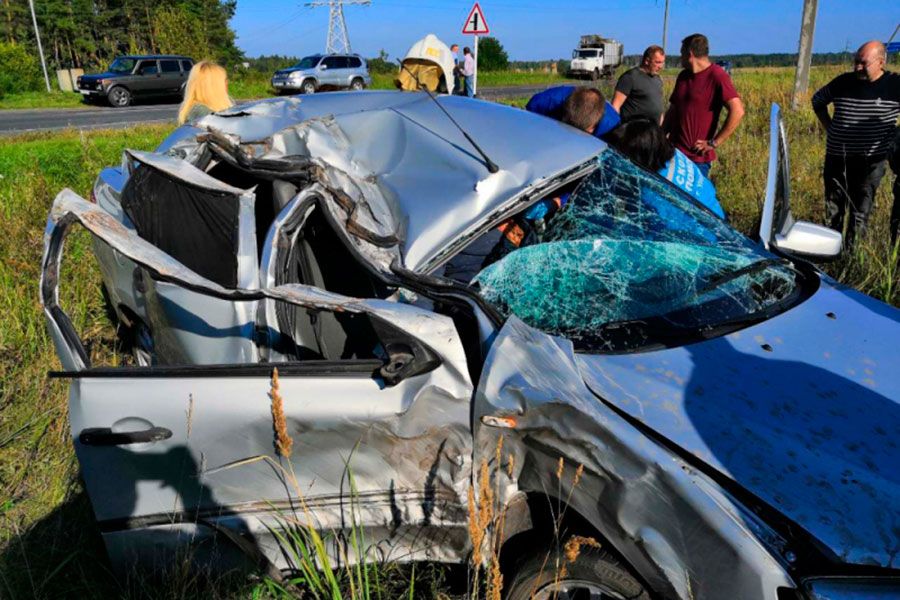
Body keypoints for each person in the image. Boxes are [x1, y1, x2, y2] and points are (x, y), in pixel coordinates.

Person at [812, 41, 900, 247]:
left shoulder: (895, 85)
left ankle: (852, 254)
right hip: (837, 158)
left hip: (871, 162)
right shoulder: (843, 82)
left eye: (863, 63)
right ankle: (830, 251)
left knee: (860, 212)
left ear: (881, 62)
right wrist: (830, 127)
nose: (857, 67)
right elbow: (818, 100)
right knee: (833, 208)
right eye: (856, 62)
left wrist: (893, 139)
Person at [605, 118, 725, 218]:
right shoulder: (672, 153)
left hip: (701, 239)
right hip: (716, 214)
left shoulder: (654, 194)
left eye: (623, 156)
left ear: (639, 158)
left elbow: (648, 237)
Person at [663, 33, 744, 177]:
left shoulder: (717, 76)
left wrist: (714, 143)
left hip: (697, 159)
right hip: (674, 153)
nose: (680, 57)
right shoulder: (683, 76)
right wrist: (661, 135)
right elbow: (673, 110)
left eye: (681, 53)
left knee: (690, 199)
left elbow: (737, 111)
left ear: (690, 53)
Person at [525, 85, 621, 139]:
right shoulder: (547, 101)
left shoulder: (612, 124)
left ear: (594, 126)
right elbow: (531, 116)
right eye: (572, 128)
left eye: (583, 133)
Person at [611, 45, 666, 124]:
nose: (660, 66)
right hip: (634, 131)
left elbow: (659, 108)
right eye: (657, 62)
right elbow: (615, 106)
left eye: (662, 62)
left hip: (653, 131)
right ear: (647, 61)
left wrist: (662, 129)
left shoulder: (658, 79)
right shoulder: (630, 77)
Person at [177, 61, 233, 125]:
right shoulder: (203, 112)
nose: (227, 83)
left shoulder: (197, 108)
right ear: (214, 85)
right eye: (224, 80)